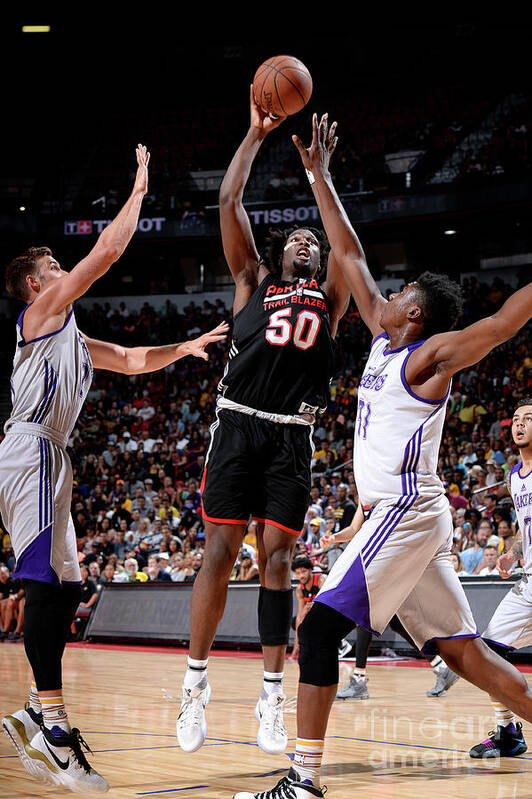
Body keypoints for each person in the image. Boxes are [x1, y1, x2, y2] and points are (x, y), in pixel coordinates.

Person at [233, 114, 532, 798]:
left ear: (416, 315)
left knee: (316, 633)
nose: (387, 295)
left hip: (406, 510)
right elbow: (348, 252)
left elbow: (501, 325)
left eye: (401, 296)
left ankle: (302, 782)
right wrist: (319, 174)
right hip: (399, 518)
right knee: (465, 652)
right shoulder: (381, 334)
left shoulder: (429, 358)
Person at [0, 144, 228, 794]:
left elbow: (130, 361)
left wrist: (181, 347)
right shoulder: (39, 314)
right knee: (47, 588)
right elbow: (105, 254)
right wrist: (137, 192)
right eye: (55, 266)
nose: (64, 269)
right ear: (37, 284)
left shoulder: (68, 333)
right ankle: (53, 729)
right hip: (31, 449)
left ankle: (34, 718)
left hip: (50, 456)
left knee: (68, 589)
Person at [177, 89, 350, 757]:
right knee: (218, 554)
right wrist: (254, 134)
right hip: (239, 425)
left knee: (278, 560)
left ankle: (271, 695)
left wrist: (320, 176)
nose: (308, 244)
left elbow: (345, 243)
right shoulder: (252, 279)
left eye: (314, 241)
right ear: (282, 256)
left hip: (292, 435)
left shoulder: (331, 300)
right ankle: (195, 686)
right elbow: (229, 203)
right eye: (298, 240)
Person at [469, 399, 532, 758]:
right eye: (516, 419)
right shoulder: (514, 477)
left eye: (529, 419)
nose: (520, 424)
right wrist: (512, 550)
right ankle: (507, 731)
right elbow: (525, 527)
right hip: (528, 581)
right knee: (488, 653)